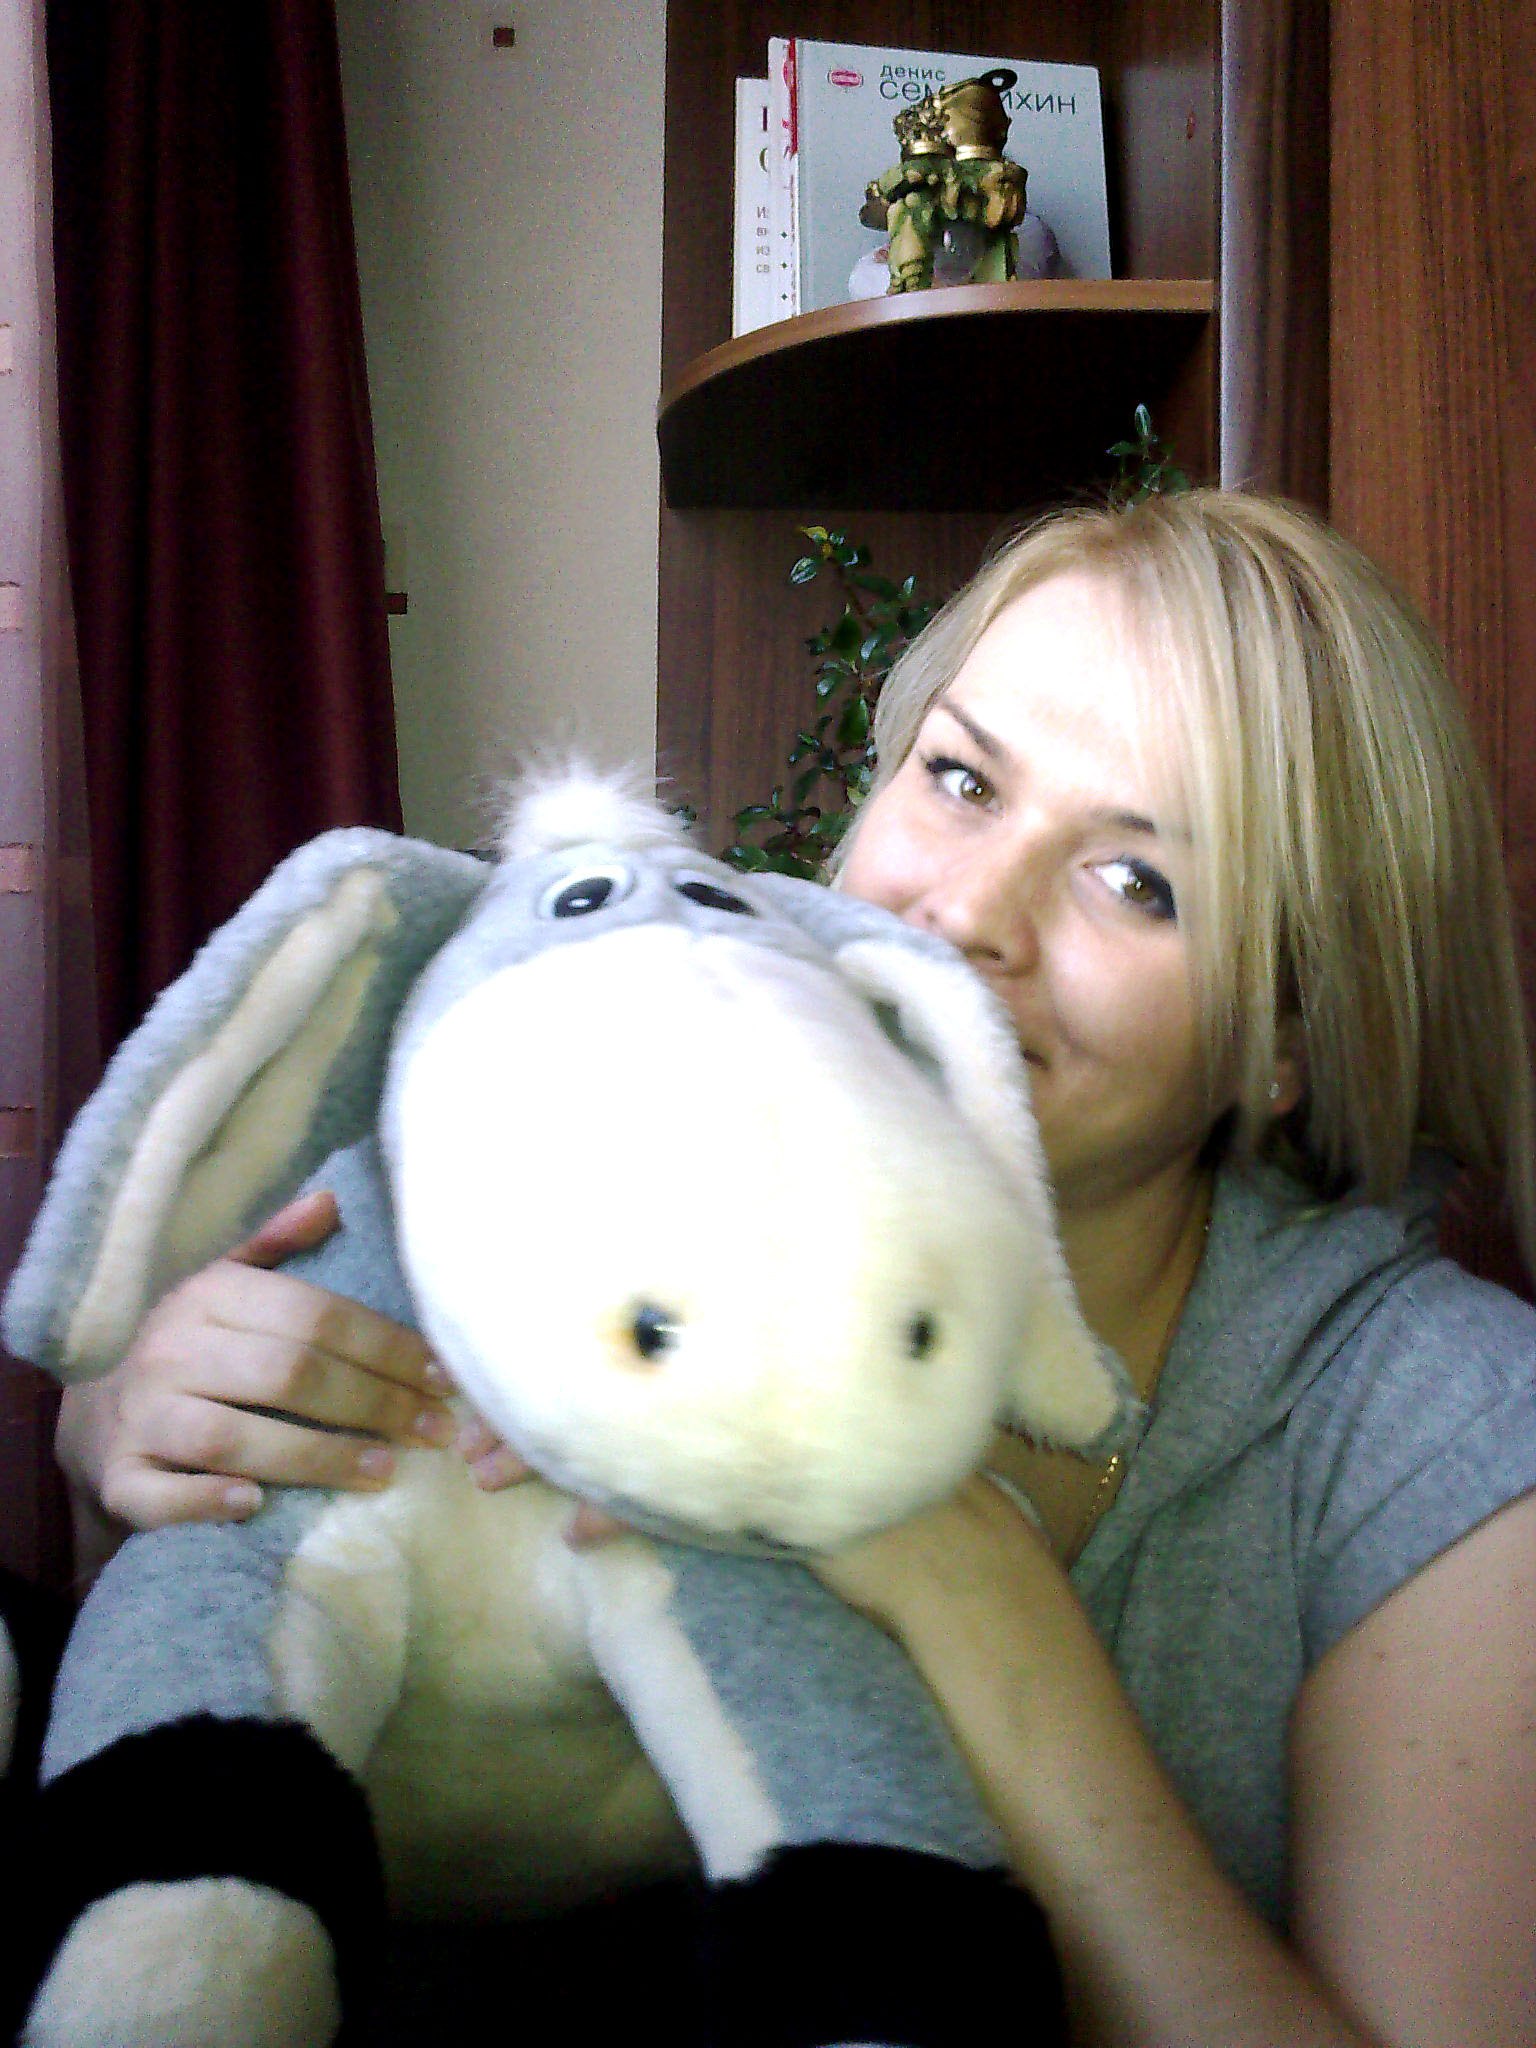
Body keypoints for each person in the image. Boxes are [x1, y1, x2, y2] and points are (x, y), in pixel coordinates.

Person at [52, 490, 1536, 2046]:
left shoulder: (1434, 1425)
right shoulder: (547, 1114)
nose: (968, 915)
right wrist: (137, 1434)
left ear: (1285, 1040)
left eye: (1138, 883)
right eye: (960, 780)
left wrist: (987, 1613)